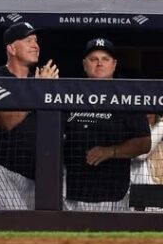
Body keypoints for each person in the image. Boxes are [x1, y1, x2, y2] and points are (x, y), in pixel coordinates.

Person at [0, 22, 58, 209]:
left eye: (36, 41)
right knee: (17, 220)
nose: (35, 45)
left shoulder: (39, 82)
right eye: (28, 41)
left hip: (33, 175)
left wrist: (45, 89)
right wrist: (38, 89)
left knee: (36, 229)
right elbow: (8, 120)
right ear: (11, 48)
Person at [64, 38, 151, 211]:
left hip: (112, 193)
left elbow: (144, 144)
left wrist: (110, 151)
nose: (99, 64)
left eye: (105, 59)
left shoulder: (127, 97)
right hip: (71, 193)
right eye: (93, 59)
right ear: (84, 64)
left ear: (114, 64)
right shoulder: (69, 95)